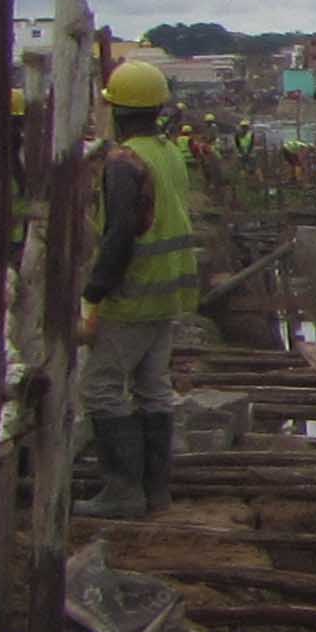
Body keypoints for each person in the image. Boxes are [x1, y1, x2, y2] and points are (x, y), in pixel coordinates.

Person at [76, 57, 200, 517]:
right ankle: (156, 490)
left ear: (116, 110)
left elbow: (121, 232)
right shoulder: (169, 151)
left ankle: (123, 490)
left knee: (102, 390)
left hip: (134, 292)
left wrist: (95, 290)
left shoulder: (124, 162)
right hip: (171, 289)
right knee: (153, 388)